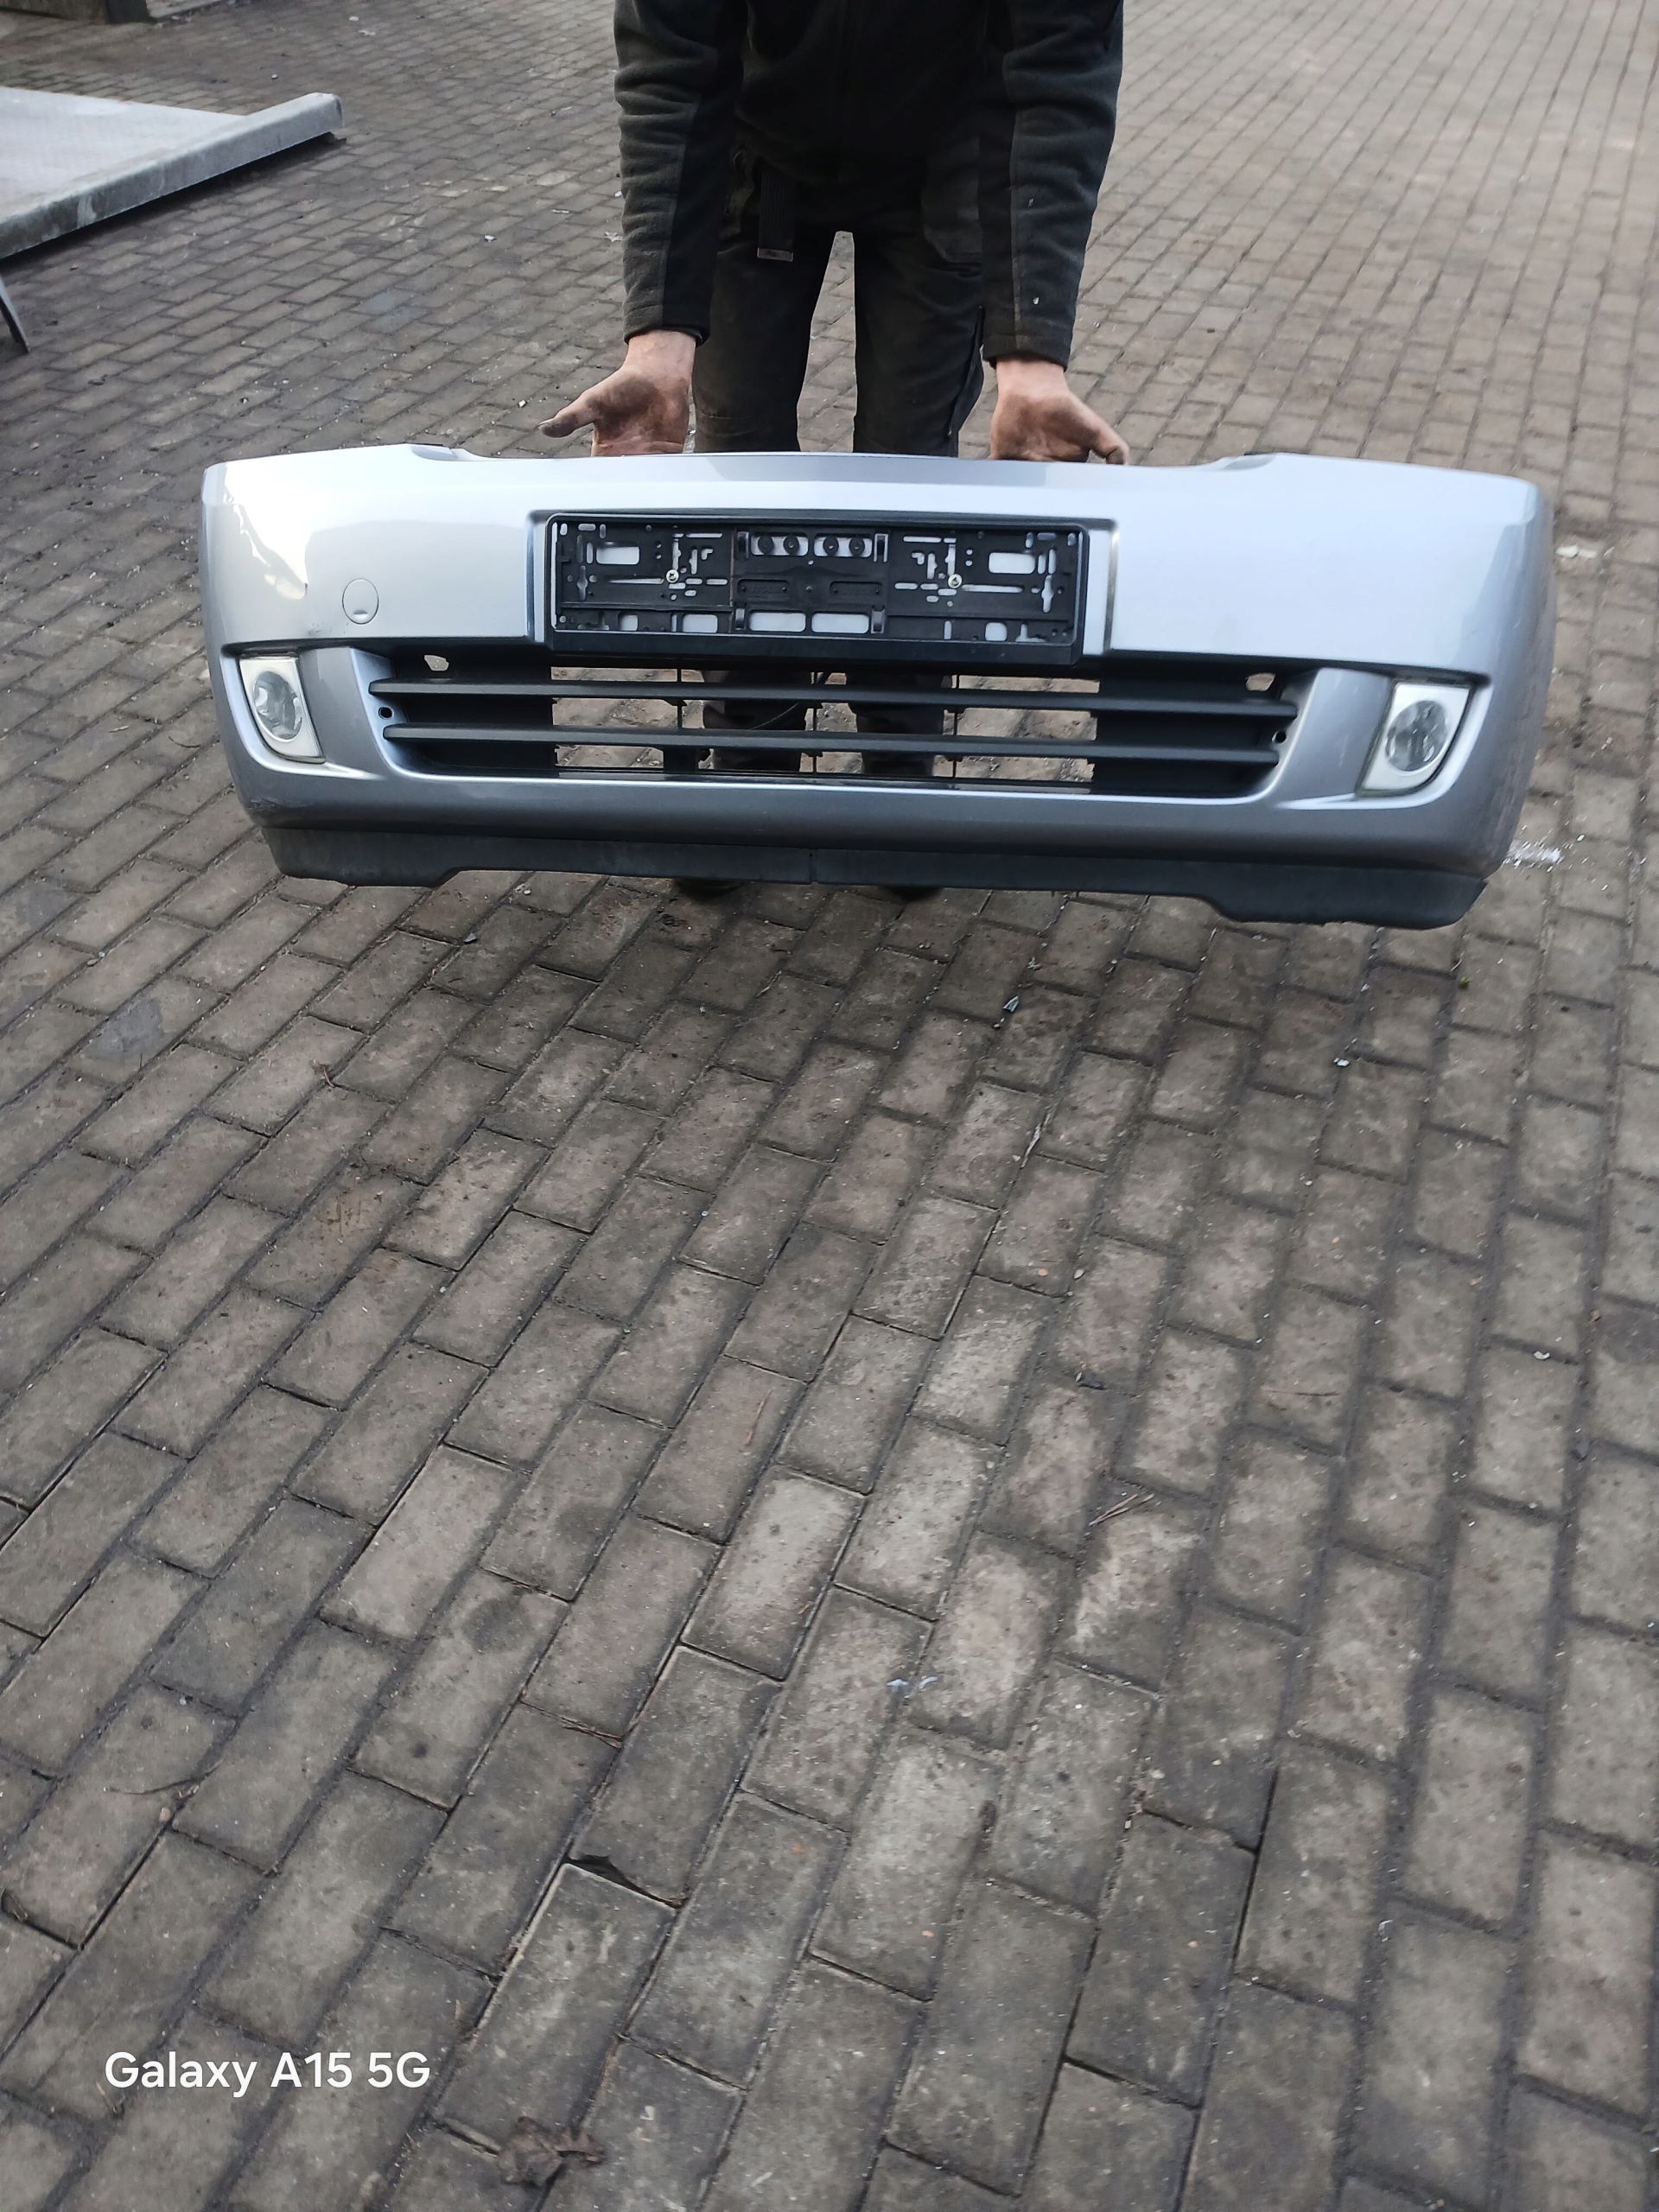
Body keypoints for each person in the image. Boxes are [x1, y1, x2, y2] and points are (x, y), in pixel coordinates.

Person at [544, 0, 1129, 776]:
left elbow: (1058, 72)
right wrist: (659, 344)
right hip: (758, 156)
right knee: (741, 469)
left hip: (943, 163)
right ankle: (752, 758)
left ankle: (901, 762)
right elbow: (672, 66)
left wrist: (1030, 356)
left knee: (912, 482)